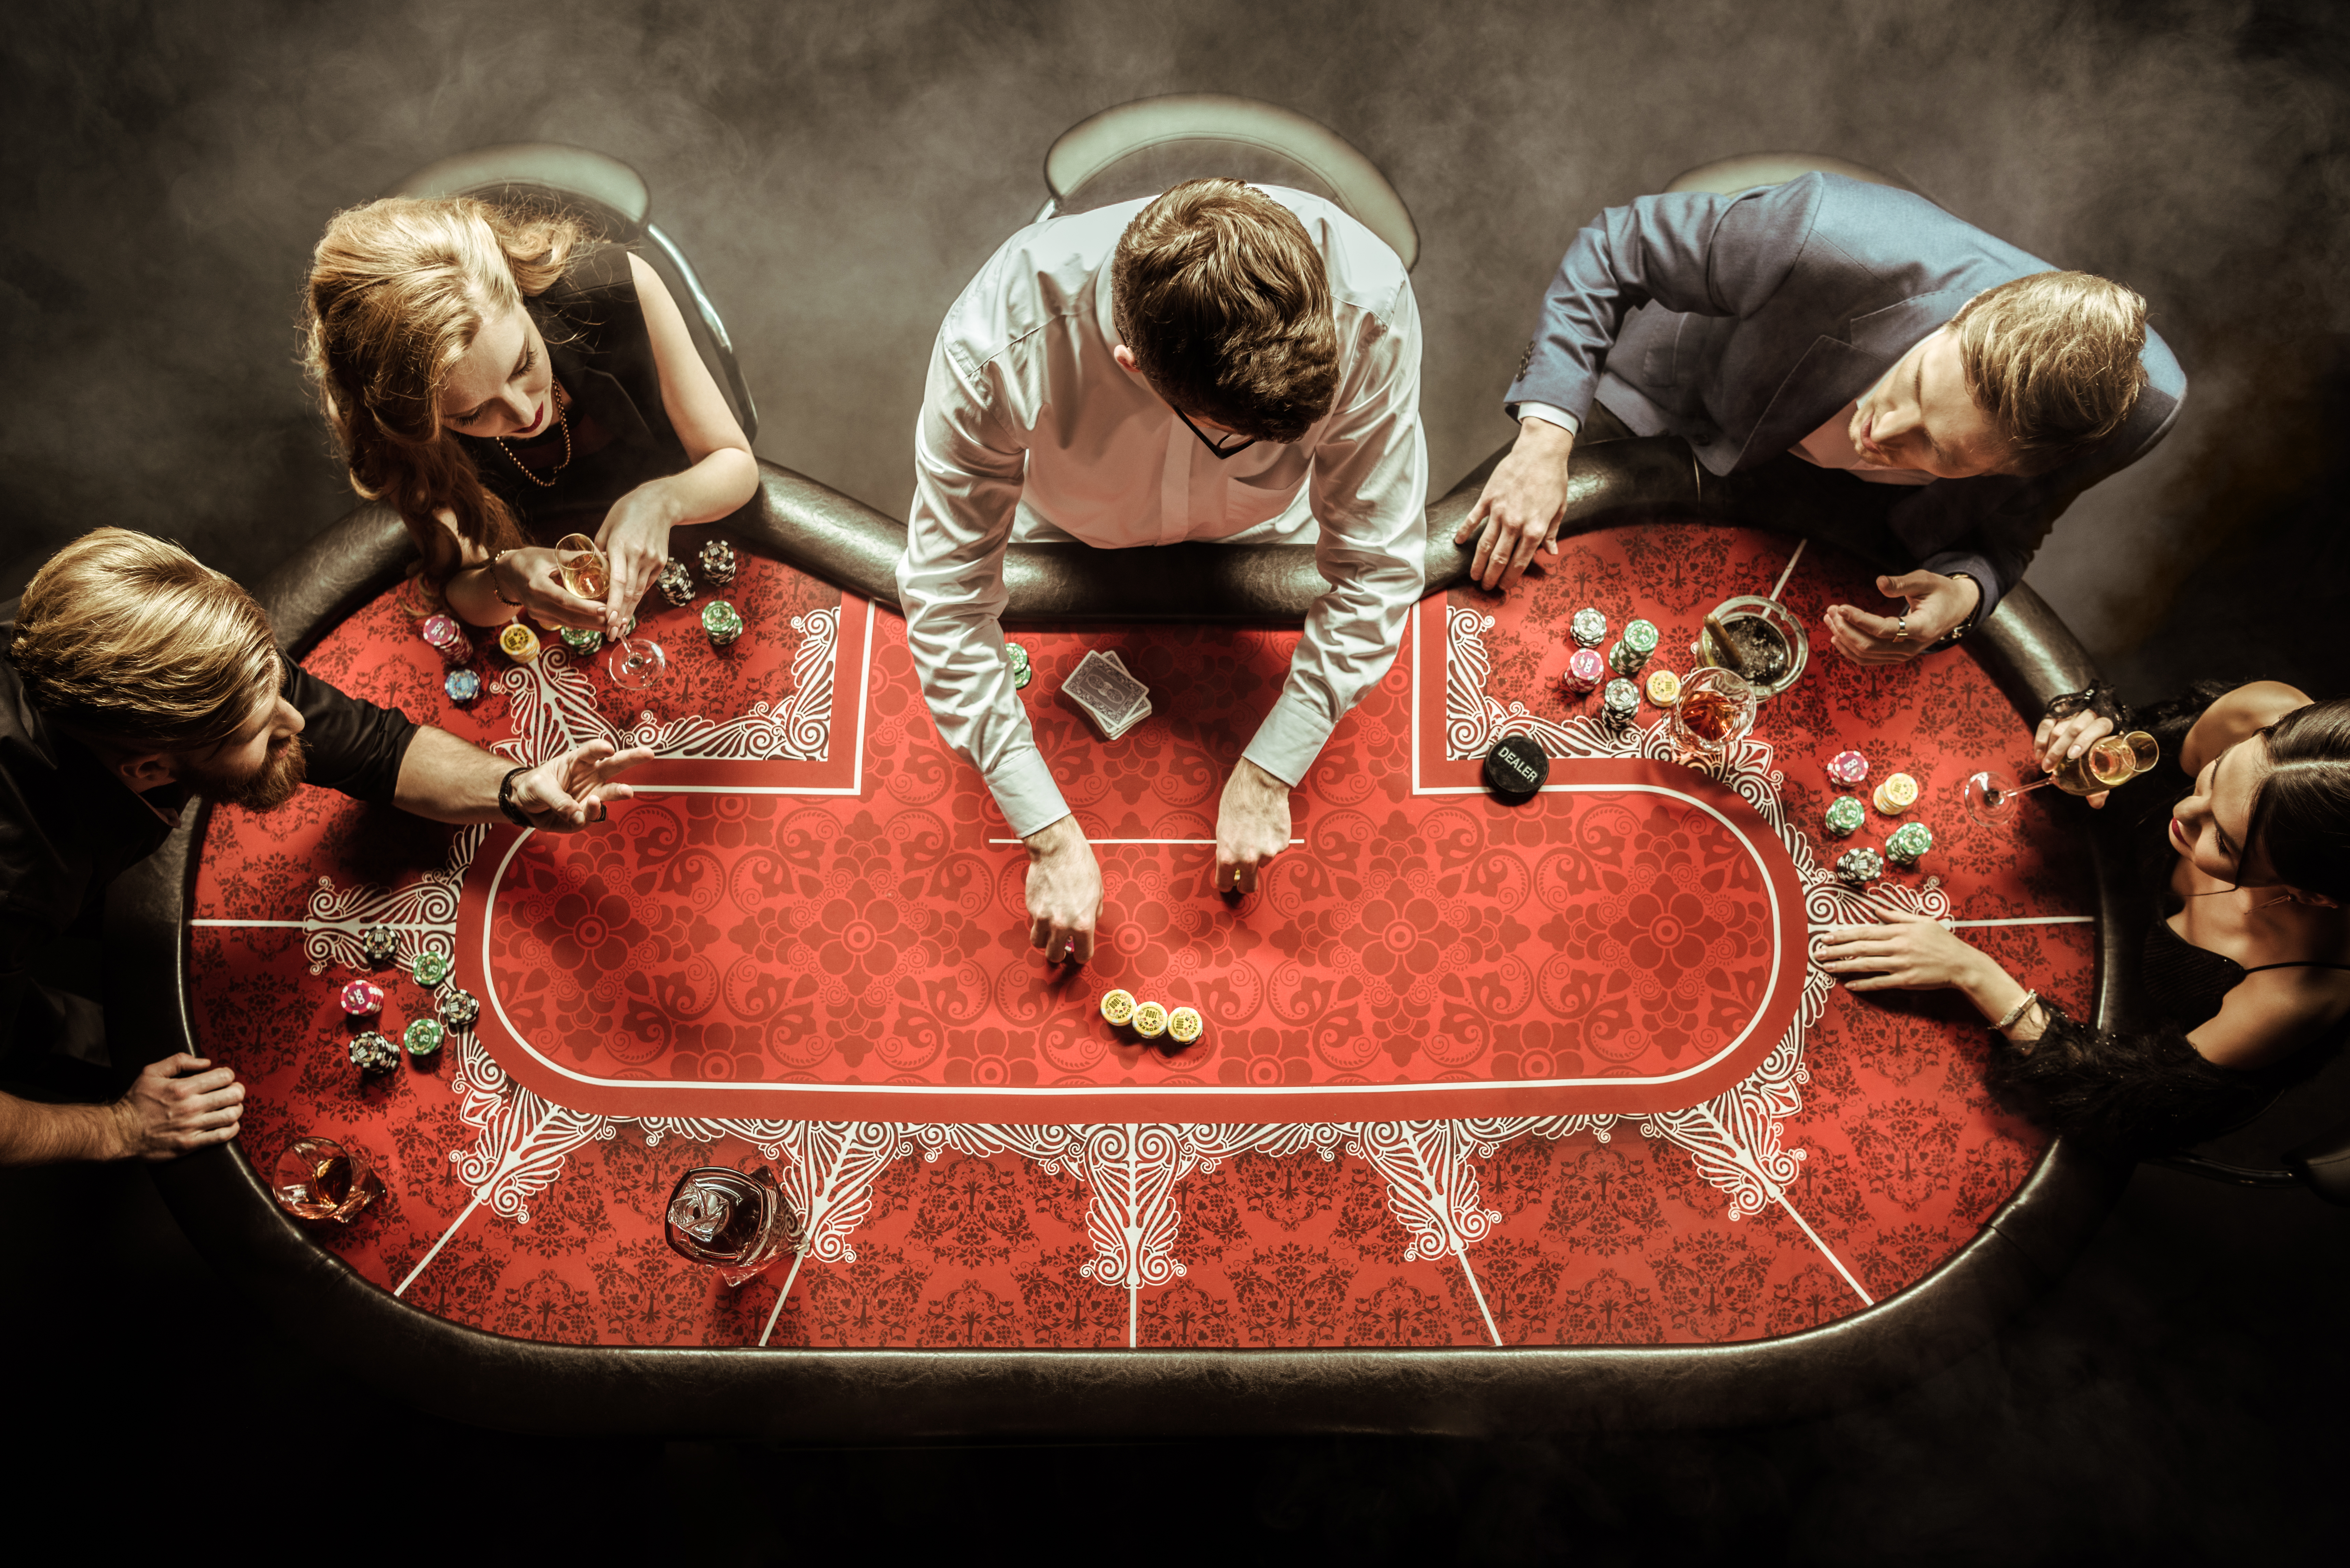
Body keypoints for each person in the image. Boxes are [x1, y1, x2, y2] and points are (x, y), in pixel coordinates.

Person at [898, 178, 1427, 968]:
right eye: (1237, 439)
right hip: (1067, 544)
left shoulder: (1369, 306)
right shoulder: (997, 345)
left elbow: (1378, 565)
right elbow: (946, 600)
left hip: (1267, 547)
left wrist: (1273, 762)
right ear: (1130, 366)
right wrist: (1045, 833)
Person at [0, 528, 649, 1167]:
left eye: (277, 692)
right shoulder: (23, 875)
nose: (298, 722)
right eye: (262, 730)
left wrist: (513, 790)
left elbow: (373, 747)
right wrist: (122, 1129)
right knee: (37, 1023)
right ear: (148, 771)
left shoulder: (167, 673)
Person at [1461, 172, 2186, 663]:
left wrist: (1960, 599)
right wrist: (1543, 438)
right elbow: (1615, 247)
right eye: (1916, 386)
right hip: (1681, 409)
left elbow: (2006, 533)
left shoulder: (2124, 416)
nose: (1880, 434)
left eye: (1939, 450)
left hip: (1848, 519)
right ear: (1964, 315)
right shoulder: (1822, 235)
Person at [1817, 681, 2350, 1150]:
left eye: (2225, 841)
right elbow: (2134, 746)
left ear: (2312, 895)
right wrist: (2086, 735)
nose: (2184, 812)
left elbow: (2121, 1100)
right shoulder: (2260, 716)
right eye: (2212, 781)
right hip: (2074, 872)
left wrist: (1971, 971)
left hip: (2106, 1020)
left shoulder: (2301, 991)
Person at [304, 197, 759, 639]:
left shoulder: (619, 290)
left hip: (696, 535)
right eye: (472, 413)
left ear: (519, 293)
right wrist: (508, 579)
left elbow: (735, 461)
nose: (524, 414)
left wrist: (664, 500)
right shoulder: (398, 424)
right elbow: (462, 589)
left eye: (523, 364)